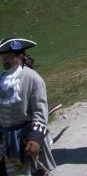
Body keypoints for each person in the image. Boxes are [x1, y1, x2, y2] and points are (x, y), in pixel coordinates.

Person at [0, 38, 56, 175]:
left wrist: (35, 138)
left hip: (26, 139)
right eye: (3, 56)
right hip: (4, 140)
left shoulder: (33, 79)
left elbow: (40, 112)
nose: (4, 60)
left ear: (20, 57)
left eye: (9, 56)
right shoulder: (2, 79)